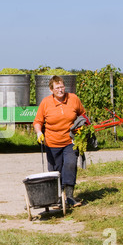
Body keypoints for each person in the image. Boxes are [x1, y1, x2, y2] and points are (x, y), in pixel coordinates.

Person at [33, 75, 86, 207]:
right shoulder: (46, 103)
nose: (60, 90)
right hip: (52, 143)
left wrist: (81, 128)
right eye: (57, 88)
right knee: (55, 171)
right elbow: (37, 122)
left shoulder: (73, 99)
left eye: (62, 87)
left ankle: (69, 197)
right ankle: (57, 198)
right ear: (51, 90)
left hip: (70, 141)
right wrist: (39, 132)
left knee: (70, 165)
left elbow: (83, 115)